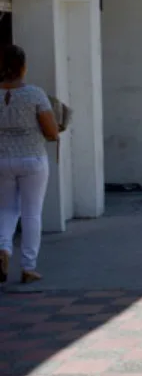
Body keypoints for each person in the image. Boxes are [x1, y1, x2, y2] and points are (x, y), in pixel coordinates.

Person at [0, 44, 58, 285]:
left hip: (2, 159)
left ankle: (3, 249)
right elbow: (52, 131)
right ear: (23, 68)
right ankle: (28, 267)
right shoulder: (35, 94)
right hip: (32, 159)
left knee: (6, 209)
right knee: (31, 212)